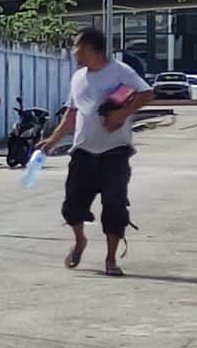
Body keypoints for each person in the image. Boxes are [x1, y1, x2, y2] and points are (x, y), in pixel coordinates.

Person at [38, 27, 154, 277]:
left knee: (115, 206)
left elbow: (146, 93)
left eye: (76, 46)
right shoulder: (78, 77)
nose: (73, 52)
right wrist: (52, 140)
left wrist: (122, 113)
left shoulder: (120, 71)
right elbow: (71, 114)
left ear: (90, 48)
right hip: (83, 151)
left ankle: (111, 258)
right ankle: (80, 240)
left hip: (115, 152)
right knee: (72, 206)